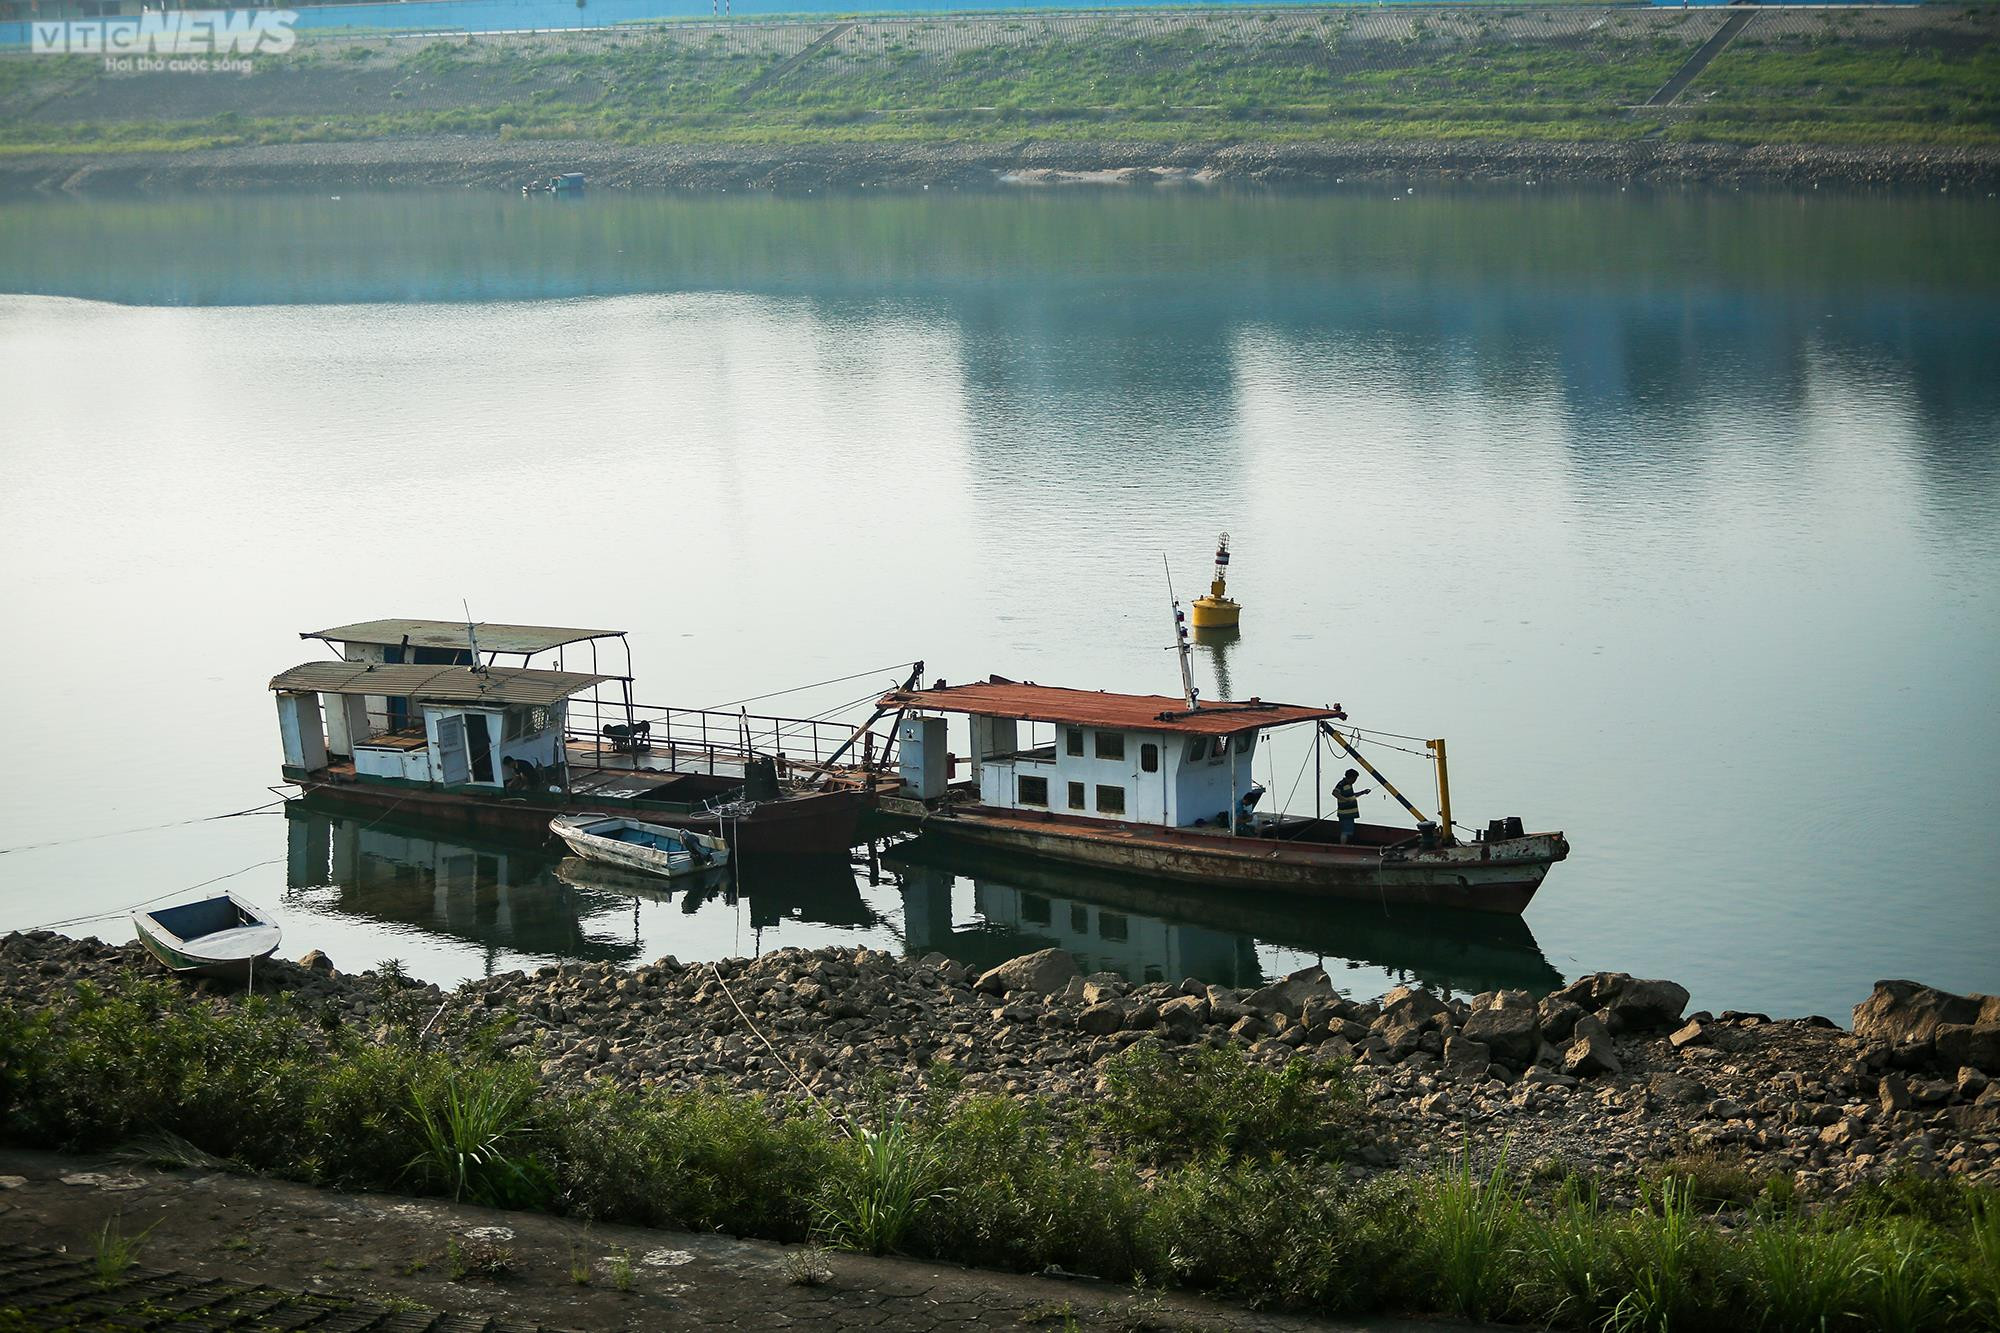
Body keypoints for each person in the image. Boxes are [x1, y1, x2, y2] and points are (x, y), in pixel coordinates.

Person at [1333, 768, 1371, 844]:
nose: (1355, 781)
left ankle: (1345, 845)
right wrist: (1345, 799)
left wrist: (1363, 792)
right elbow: (1334, 793)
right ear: (1350, 778)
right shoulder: (1342, 784)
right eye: (1354, 779)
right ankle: (1342, 846)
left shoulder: (1349, 785)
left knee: (1348, 831)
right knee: (1345, 832)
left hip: (1350, 814)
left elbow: (1352, 796)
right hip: (1345, 814)